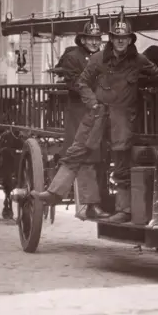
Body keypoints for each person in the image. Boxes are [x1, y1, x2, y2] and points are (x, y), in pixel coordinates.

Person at [33, 11, 158, 224]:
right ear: (111, 39)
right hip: (97, 115)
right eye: (116, 37)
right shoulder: (97, 59)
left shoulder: (139, 60)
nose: (121, 41)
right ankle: (54, 192)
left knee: (121, 162)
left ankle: (123, 211)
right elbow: (82, 82)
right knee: (77, 151)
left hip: (122, 119)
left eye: (125, 38)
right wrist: (93, 102)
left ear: (130, 40)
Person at [35, 16, 109, 221]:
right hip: (80, 112)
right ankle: (87, 204)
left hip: (100, 113)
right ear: (82, 39)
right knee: (85, 156)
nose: (94, 41)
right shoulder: (73, 57)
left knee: (94, 157)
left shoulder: (104, 57)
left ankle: (56, 194)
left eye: (97, 38)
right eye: (90, 38)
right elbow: (76, 84)